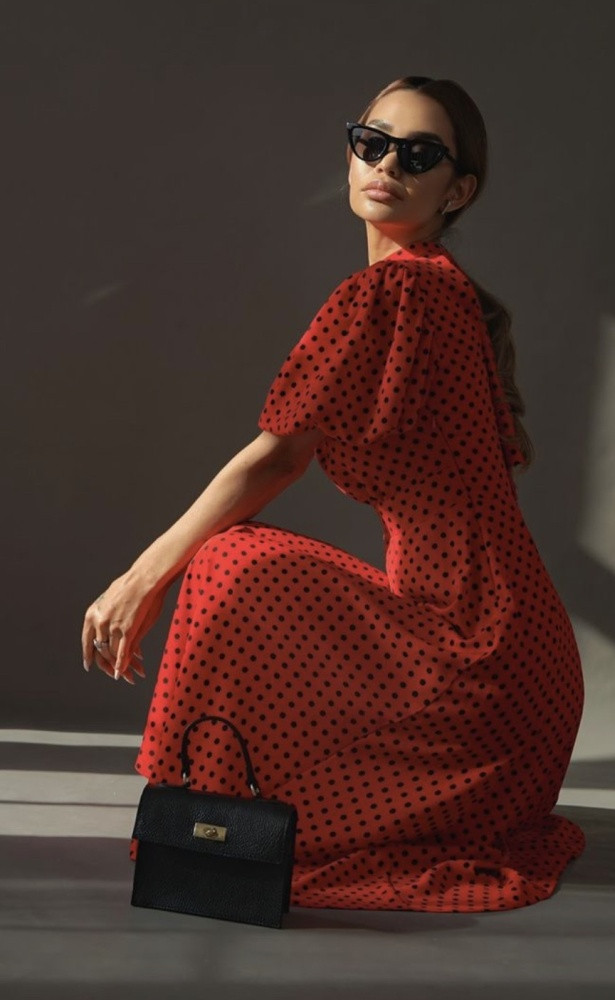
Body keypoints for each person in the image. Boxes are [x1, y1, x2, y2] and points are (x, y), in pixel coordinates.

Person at [81, 76, 586, 912]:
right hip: (518, 683)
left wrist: (142, 577)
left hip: (479, 666)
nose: (387, 165)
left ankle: (207, 827)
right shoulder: (434, 286)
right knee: (241, 565)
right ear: (350, 155)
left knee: (231, 563)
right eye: (371, 142)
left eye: (418, 155)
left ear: (456, 190)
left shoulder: (400, 289)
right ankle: (217, 821)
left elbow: (277, 460)